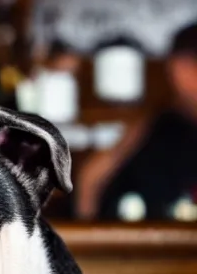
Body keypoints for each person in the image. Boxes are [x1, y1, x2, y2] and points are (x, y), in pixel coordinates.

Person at [76, 22, 197, 221]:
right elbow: (90, 180)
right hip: (145, 241)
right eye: (185, 66)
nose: (185, 75)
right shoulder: (153, 125)